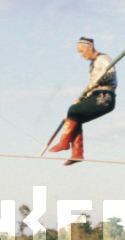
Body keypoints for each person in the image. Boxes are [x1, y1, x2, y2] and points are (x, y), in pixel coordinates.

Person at [48, 37, 117, 165]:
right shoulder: (91, 65)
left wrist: (99, 81)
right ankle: (77, 153)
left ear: (90, 47)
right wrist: (82, 99)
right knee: (76, 117)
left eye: (81, 51)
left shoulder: (102, 59)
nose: (81, 55)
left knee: (73, 111)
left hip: (104, 97)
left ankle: (64, 142)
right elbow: (93, 87)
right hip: (97, 95)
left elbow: (110, 74)